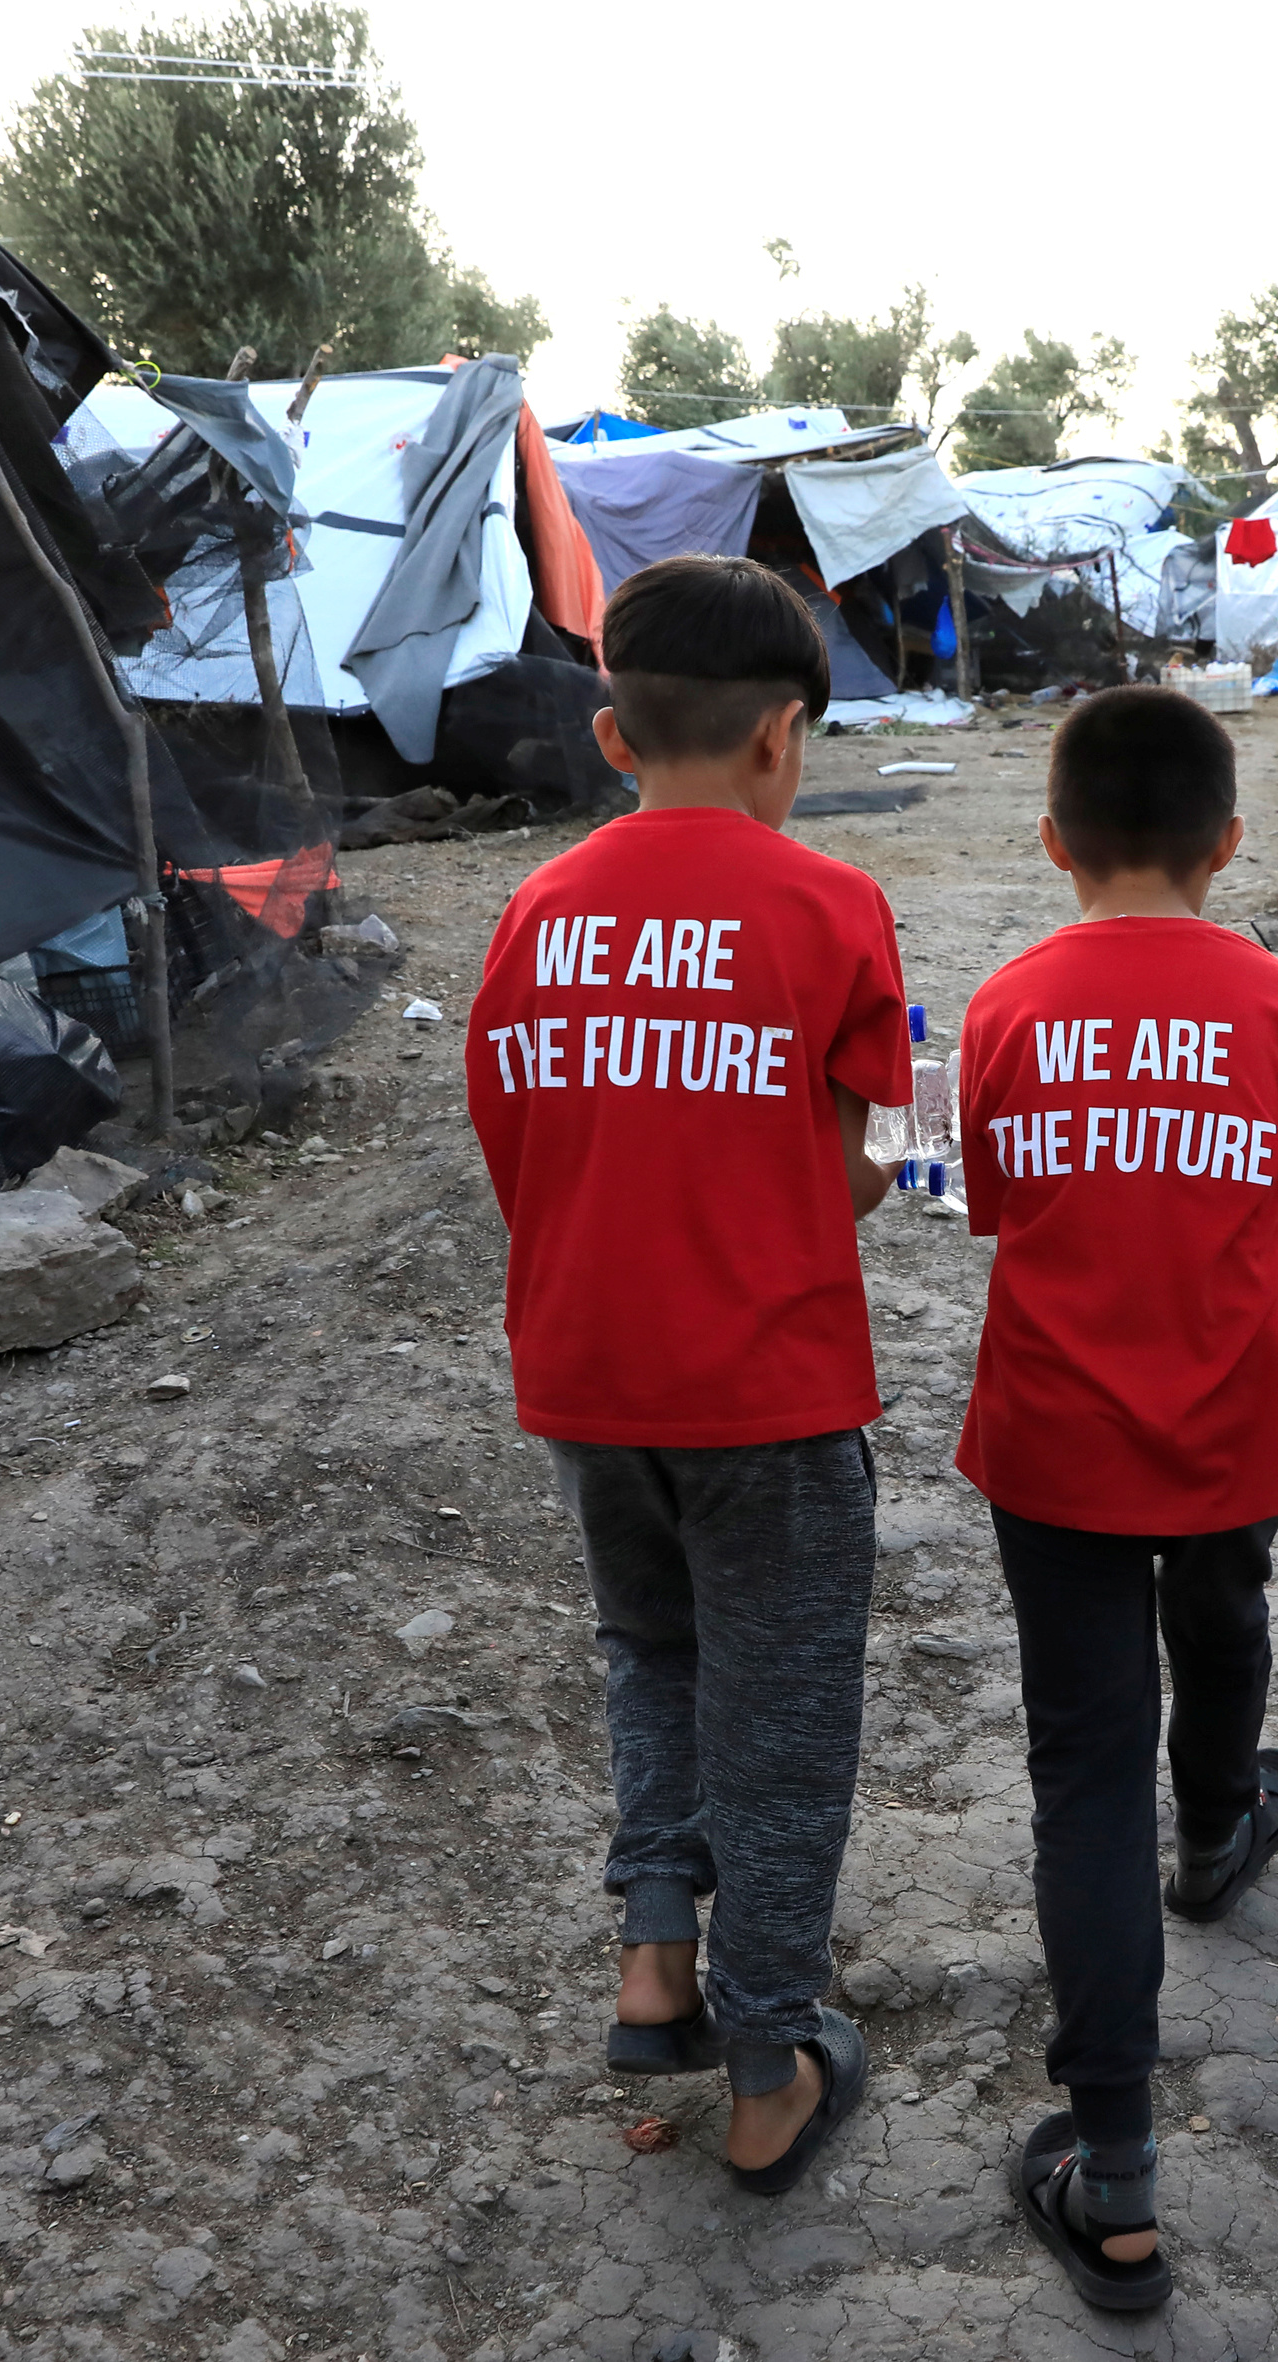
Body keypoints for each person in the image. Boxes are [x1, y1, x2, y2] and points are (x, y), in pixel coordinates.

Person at [463, 555, 905, 2195]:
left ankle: (656, 1945)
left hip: (588, 1377)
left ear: (609, 731)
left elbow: (521, 1141)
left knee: (650, 1642)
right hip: (769, 1392)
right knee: (782, 1714)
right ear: (785, 737)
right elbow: (877, 1159)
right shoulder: (834, 907)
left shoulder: (535, 909)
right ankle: (770, 2062)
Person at [949, 684, 1278, 2310]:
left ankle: (1113, 2170)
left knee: (1079, 1766)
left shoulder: (1001, 1007)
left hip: (1056, 1432)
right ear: (1228, 844)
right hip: (1233, 1406)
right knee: (1228, 1605)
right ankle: (1219, 1827)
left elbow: (988, 1204)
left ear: (1053, 842)